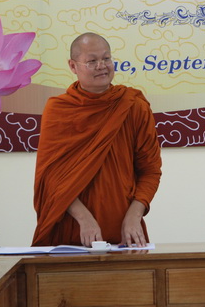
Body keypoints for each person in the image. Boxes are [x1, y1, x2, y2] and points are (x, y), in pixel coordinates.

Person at [32, 32, 161, 248]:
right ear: (73, 66)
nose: (102, 66)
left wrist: (134, 215)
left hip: (123, 231)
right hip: (73, 229)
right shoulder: (59, 110)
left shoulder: (133, 106)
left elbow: (150, 170)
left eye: (106, 58)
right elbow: (51, 176)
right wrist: (84, 218)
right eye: (92, 61)